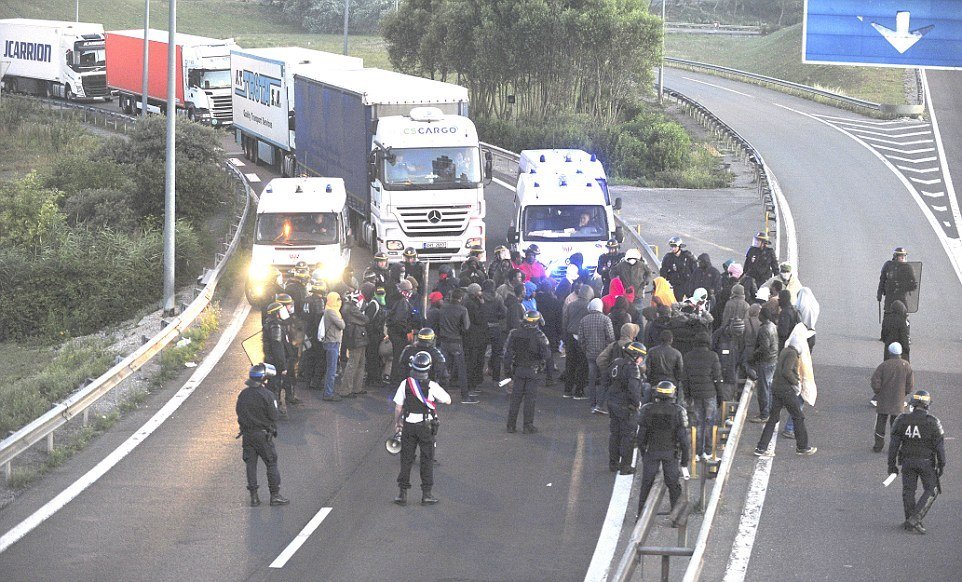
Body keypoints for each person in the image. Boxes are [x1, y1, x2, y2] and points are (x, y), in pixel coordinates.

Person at [393, 351, 452, 506]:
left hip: (408, 426)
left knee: (406, 460)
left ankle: (402, 494)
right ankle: (426, 495)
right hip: (426, 427)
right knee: (426, 460)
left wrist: (397, 423)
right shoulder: (432, 386)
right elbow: (448, 400)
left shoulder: (405, 384)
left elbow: (398, 407)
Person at [754, 324, 817, 457]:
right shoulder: (793, 354)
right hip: (786, 390)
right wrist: (796, 382)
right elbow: (787, 371)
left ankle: (761, 447)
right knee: (798, 416)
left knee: (773, 418)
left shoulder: (785, 351)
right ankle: (802, 447)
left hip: (776, 388)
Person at [888, 390, 945, 534]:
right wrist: (941, 464)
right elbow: (940, 447)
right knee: (932, 489)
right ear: (927, 405)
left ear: (913, 404)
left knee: (908, 491)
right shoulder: (933, 422)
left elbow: (893, 445)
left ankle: (909, 520)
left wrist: (891, 465)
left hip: (907, 461)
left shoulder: (901, 420)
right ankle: (915, 518)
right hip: (926, 462)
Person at [236, 363, 289, 507]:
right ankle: (275, 495)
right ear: (263, 379)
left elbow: (239, 413)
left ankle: (254, 497)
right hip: (263, 435)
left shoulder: (243, 394)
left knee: (251, 465)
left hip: (247, 435)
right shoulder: (267, 395)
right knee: (271, 463)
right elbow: (274, 415)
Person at [637, 381, 691, 518]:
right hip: (670, 453)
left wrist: (644, 453)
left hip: (652, 452)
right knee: (673, 485)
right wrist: (684, 461)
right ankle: (676, 517)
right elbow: (684, 441)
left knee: (646, 485)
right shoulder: (678, 411)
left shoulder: (647, 409)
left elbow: (640, 437)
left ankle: (641, 516)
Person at [502, 310, 552, 434]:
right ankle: (527, 425)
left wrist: (508, 372)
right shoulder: (539, 335)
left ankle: (511, 425)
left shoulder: (514, 333)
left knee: (515, 398)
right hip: (532, 370)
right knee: (530, 399)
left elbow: (507, 354)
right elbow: (547, 354)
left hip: (518, 369)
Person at [605, 342, 647, 474]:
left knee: (615, 434)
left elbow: (606, 380)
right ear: (635, 355)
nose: (641, 360)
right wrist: (637, 404)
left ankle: (613, 463)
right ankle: (625, 466)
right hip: (625, 406)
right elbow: (633, 389)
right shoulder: (633, 368)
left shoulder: (616, 362)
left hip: (612, 402)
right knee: (628, 436)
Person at [685, 331, 723, 460]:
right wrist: (720, 396)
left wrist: (687, 395)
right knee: (709, 422)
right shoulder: (713, 356)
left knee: (697, 422)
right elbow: (717, 377)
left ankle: (696, 452)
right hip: (710, 393)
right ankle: (708, 452)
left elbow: (685, 378)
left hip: (695, 394)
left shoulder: (688, 356)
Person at [872, 342, 914, 452]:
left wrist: (878, 392)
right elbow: (910, 385)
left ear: (889, 352)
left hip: (883, 400)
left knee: (880, 423)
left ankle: (878, 445)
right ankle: (895, 447)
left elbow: (875, 382)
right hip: (898, 401)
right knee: (896, 425)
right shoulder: (906, 366)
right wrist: (904, 393)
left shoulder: (884, 365)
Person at [578, 298, 616, 414]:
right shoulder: (606, 319)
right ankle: (600, 404)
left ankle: (592, 404)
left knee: (592, 380)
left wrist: (586, 350)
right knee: (604, 380)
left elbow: (581, 339)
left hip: (590, 354)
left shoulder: (584, 320)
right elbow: (611, 338)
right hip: (603, 356)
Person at [437, 288, 474, 403]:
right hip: (456, 341)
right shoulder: (463, 310)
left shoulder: (443, 308)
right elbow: (467, 327)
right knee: (461, 368)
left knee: (443, 367)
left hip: (444, 340)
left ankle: (441, 394)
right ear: (461, 298)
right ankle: (465, 396)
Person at [562, 285, 595, 399]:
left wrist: (565, 338)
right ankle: (579, 391)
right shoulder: (589, 307)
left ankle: (567, 390)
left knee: (570, 363)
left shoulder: (571, 305)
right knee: (582, 364)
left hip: (570, 337)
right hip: (583, 339)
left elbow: (565, 321)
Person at [262, 300, 294, 415]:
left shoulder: (269, 323)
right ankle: (272, 411)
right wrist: (283, 366)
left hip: (270, 360)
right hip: (276, 362)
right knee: (275, 387)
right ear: (276, 313)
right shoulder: (276, 326)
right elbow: (278, 348)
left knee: (273, 385)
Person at [748, 307, 778, 424]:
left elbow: (764, 348)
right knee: (769, 387)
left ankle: (764, 415)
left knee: (763, 389)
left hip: (765, 362)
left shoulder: (764, 329)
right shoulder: (773, 326)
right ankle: (769, 411)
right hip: (773, 360)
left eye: (760, 314)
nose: (758, 316)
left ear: (764, 316)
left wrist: (753, 356)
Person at [386, 279, 419, 388]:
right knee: (399, 358)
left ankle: (394, 380)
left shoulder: (395, 300)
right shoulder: (403, 302)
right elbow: (400, 321)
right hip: (399, 336)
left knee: (396, 357)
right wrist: (408, 331)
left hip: (395, 333)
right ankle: (396, 381)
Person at [340, 290, 370, 398]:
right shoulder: (352, 308)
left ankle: (356, 388)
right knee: (353, 364)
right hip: (357, 338)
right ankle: (346, 390)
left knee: (360, 363)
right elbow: (365, 319)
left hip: (357, 337)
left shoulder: (347, 307)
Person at [320, 292, 345, 401]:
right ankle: (328, 394)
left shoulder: (329, 310)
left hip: (332, 342)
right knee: (331, 369)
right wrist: (342, 320)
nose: (340, 301)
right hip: (332, 343)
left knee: (331, 368)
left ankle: (328, 391)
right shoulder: (331, 312)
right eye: (338, 299)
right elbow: (342, 325)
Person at [646, 330, 685, 401]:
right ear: (671, 340)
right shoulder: (677, 353)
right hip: (671, 383)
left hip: (655, 382)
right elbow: (680, 371)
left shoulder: (652, 351)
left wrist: (649, 380)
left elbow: (648, 369)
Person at [877, 247, 917, 313]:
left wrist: (902, 286)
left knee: (904, 317)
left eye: (904, 255)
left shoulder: (908, 268)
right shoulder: (888, 265)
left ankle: (906, 322)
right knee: (887, 317)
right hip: (889, 297)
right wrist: (879, 294)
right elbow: (882, 280)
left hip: (901, 297)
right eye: (901, 255)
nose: (903, 257)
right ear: (896, 256)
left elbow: (913, 284)